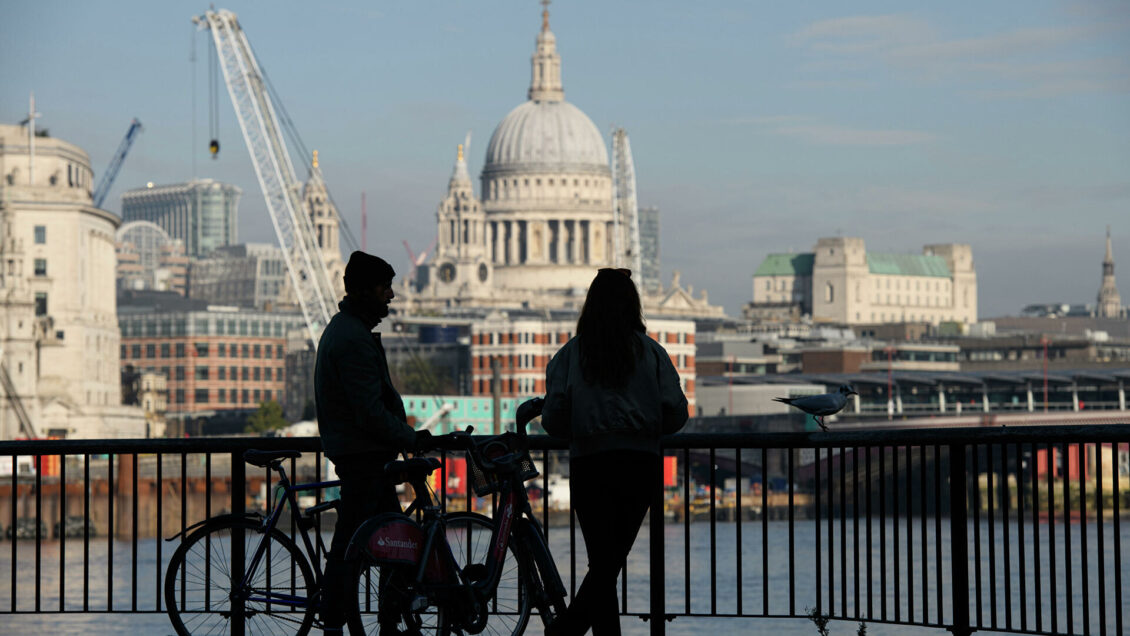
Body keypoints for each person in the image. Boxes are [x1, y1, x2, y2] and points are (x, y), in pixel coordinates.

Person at [540, 267, 689, 636]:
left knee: (602, 560)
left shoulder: (570, 354)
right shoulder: (652, 353)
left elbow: (554, 418)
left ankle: (576, 628)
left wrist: (579, 427)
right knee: (610, 561)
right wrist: (648, 427)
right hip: (640, 463)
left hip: (589, 463)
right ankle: (571, 628)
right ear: (632, 305)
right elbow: (677, 412)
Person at [314, 251, 430, 634]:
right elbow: (368, 412)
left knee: (393, 542)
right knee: (352, 547)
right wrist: (410, 436)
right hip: (363, 457)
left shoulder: (348, 330)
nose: (391, 296)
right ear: (365, 290)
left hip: (364, 455)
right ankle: (338, 621)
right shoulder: (352, 338)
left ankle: (386, 621)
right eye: (385, 288)